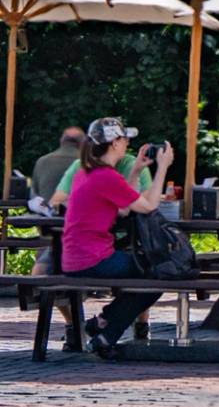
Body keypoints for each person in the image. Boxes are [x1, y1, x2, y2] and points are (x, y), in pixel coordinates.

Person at [64, 117, 174, 356]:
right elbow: (149, 206)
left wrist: (135, 170)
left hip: (75, 257)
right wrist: (162, 167)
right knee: (157, 277)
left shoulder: (86, 173)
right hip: (92, 258)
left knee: (147, 273)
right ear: (114, 143)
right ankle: (105, 335)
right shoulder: (105, 176)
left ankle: (103, 322)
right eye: (125, 139)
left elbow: (122, 208)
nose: (127, 144)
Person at [31, 127, 84, 203]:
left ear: (61, 141)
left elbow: (34, 193)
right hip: (76, 212)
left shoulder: (42, 161)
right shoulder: (86, 163)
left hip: (47, 213)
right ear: (83, 143)